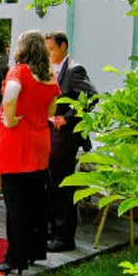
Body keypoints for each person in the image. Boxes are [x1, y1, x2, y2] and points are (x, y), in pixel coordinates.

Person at [0, 30, 60, 275]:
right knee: (35, 201)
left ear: (22, 48)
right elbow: (52, 109)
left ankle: (15, 258)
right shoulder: (49, 76)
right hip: (40, 141)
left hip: (17, 143)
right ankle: (33, 251)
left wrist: (10, 120)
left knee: (16, 203)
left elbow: (10, 97)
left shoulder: (19, 71)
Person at [44, 31, 98, 253]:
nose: (48, 54)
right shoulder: (52, 69)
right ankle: (51, 230)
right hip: (51, 134)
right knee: (51, 183)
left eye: (51, 49)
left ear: (63, 46)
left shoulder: (75, 69)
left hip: (66, 137)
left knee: (63, 185)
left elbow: (92, 96)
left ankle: (64, 237)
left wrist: (67, 118)